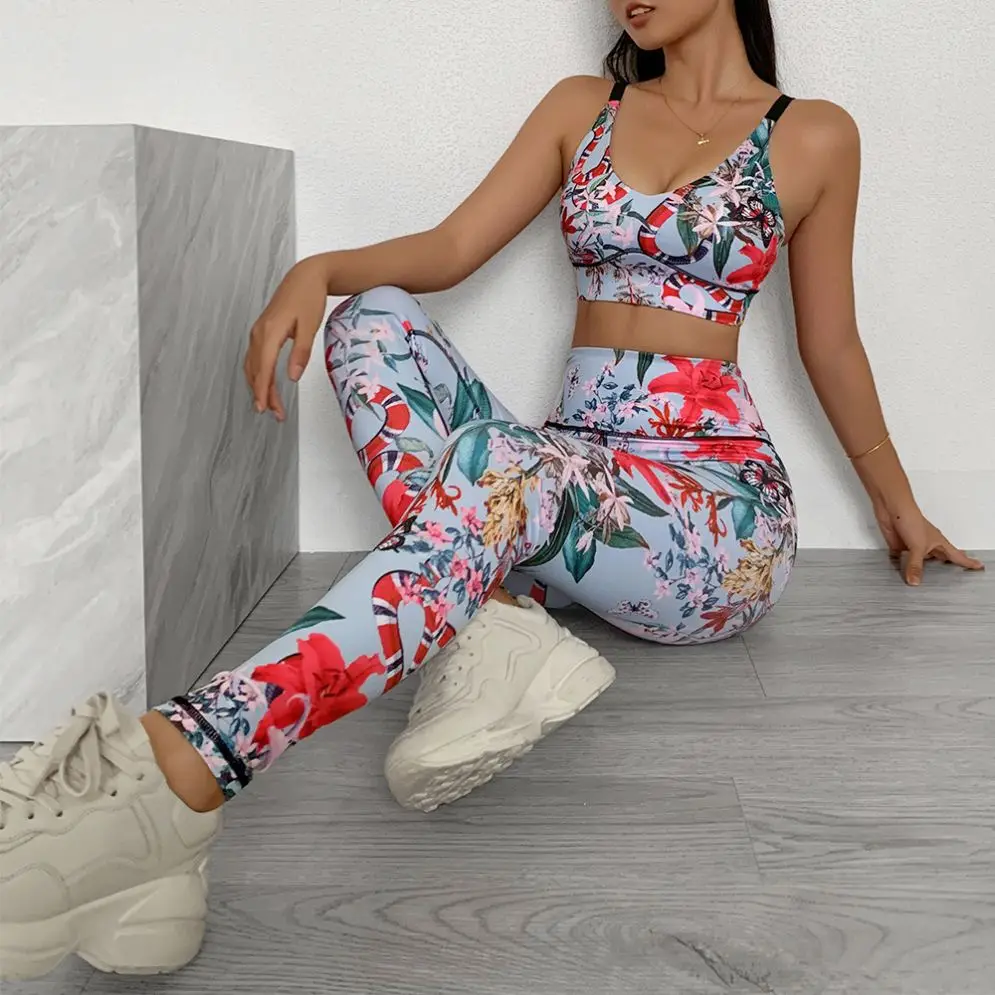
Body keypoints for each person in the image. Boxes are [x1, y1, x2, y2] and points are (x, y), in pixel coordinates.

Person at [0, 0, 984, 982]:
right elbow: (452, 248)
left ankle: (178, 768)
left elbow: (830, 343)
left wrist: (897, 506)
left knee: (502, 467)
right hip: (559, 485)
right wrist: (320, 268)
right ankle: (492, 627)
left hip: (713, 517)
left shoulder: (811, 134)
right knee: (370, 318)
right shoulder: (582, 108)